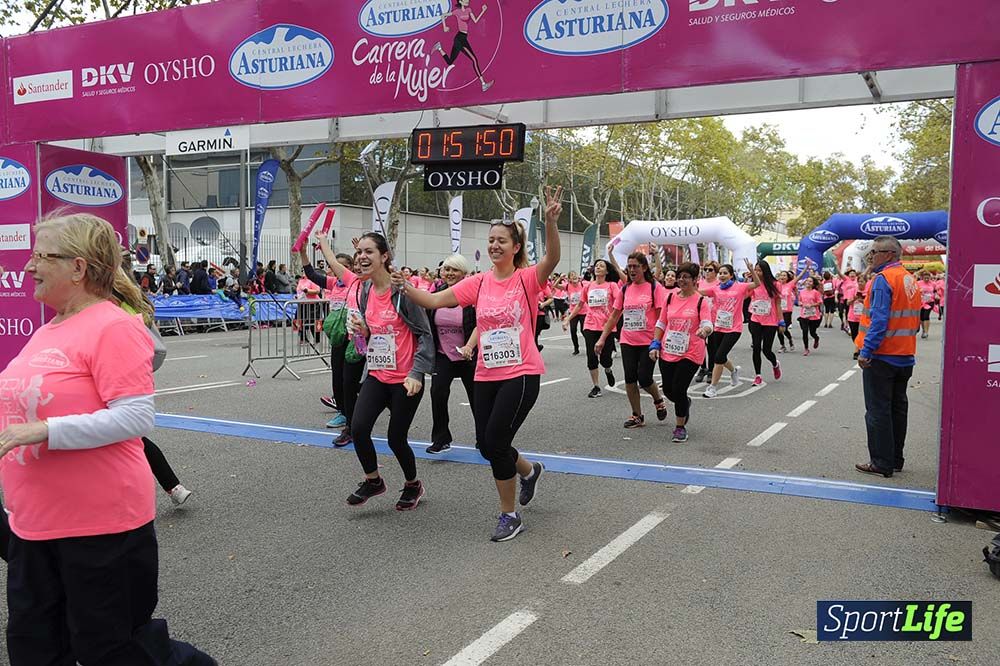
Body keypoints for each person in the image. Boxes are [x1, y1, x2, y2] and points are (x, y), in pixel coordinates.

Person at [0, 212, 215, 665]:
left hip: (101, 526)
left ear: (78, 268)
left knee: (112, 649)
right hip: (33, 524)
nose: (28, 266)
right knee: (33, 647)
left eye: (41, 255)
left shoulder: (113, 325)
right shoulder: (47, 330)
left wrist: (44, 431)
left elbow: (136, 417)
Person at [394, 186, 563, 542]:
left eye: (502, 240)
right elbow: (435, 299)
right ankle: (529, 471)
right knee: (486, 446)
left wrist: (550, 222)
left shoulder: (527, 278)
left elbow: (552, 260)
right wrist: (406, 286)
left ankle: (509, 515)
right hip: (485, 373)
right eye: (491, 240)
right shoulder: (479, 282)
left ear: (516, 247)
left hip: (521, 372)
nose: (495, 245)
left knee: (497, 441)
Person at [344, 233, 434, 511]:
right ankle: (373, 480)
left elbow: (425, 334)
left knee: (396, 437)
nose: (361, 256)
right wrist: (363, 332)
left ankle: (412, 484)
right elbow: (371, 334)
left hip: (405, 379)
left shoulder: (403, 293)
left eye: (369, 251)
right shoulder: (366, 290)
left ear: (384, 256)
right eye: (359, 251)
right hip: (377, 374)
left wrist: (418, 373)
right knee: (358, 428)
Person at [854, 236, 922, 478]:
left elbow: (879, 320)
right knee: (897, 409)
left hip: (883, 356)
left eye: (875, 252)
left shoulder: (884, 279)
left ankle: (881, 462)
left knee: (877, 410)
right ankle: (894, 459)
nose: (871, 256)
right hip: (905, 354)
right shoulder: (908, 278)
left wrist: (866, 350)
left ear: (889, 254)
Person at [596, 252, 670, 428]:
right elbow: (614, 316)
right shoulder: (625, 289)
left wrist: (658, 341)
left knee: (644, 378)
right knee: (630, 378)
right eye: (629, 266)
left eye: (635, 266)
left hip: (648, 341)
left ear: (644, 268)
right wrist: (602, 338)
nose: (631, 269)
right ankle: (637, 415)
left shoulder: (654, 287)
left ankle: (658, 400)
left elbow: (662, 316)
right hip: (628, 340)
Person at [649, 262, 714, 442]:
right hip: (669, 349)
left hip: (691, 351)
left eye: (686, 277)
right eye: (680, 276)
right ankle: (685, 402)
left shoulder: (701, 300)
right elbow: (661, 323)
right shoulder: (670, 298)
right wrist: (655, 343)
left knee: (679, 388)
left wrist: (705, 330)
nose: (681, 280)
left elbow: (708, 322)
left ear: (694, 280)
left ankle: (680, 427)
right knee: (669, 389)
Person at [301, 238, 359, 431]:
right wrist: (302, 252)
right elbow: (310, 273)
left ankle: (361, 409)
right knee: (338, 376)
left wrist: (358, 250)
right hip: (337, 337)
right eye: (336, 267)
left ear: (351, 267)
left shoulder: (357, 282)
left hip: (357, 336)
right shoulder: (333, 283)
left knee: (355, 378)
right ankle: (343, 412)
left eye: (343, 267)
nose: (338, 270)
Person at [425, 254, 478, 454]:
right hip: (443, 354)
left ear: (464, 273)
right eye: (446, 269)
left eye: (454, 270)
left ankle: (483, 439)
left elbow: (481, 323)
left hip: (468, 355)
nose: (449, 273)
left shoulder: (472, 295)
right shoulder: (437, 293)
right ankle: (441, 439)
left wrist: (470, 347)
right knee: (438, 393)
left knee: (477, 398)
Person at [697, 260, 757, 397]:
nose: (722, 275)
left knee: (718, 357)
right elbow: (698, 292)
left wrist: (752, 270)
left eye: (725, 273)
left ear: (731, 275)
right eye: (720, 273)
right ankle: (734, 370)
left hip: (734, 328)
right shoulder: (716, 288)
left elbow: (757, 284)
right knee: (721, 356)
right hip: (718, 327)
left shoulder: (740, 287)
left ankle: (712, 388)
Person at [565, 259, 619, 398]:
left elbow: (619, 306)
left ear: (607, 271)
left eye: (602, 266)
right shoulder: (588, 286)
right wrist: (568, 319)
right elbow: (579, 305)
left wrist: (614, 319)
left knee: (605, 358)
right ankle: (596, 386)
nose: (598, 268)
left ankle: (607, 369)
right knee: (591, 356)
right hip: (589, 325)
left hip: (607, 326)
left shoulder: (612, 286)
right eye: (596, 266)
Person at [433, 0, 494, 92]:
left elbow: (476, 20)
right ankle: (483, 84)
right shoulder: (457, 12)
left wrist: (483, 10)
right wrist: (444, 26)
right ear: (460, 1)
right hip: (459, 39)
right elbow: (443, 15)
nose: (467, 1)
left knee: (450, 62)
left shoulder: (469, 10)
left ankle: (439, 47)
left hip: (463, 37)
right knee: (474, 59)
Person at [747, 261, 784, 386]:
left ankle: (775, 363)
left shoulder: (775, 284)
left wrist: (781, 321)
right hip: (755, 319)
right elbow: (745, 296)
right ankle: (758, 375)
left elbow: (778, 304)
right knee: (756, 347)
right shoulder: (754, 285)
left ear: (766, 271)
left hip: (770, 321)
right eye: (756, 270)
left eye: (760, 270)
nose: (757, 273)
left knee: (766, 350)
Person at [798, 275, 824, 355]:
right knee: (804, 331)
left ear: (813, 284)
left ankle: (816, 338)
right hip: (804, 315)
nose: (808, 283)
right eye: (807, 281)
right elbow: (799, 301)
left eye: (810, 281)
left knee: (812, 332)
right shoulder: (802, 292)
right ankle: (806, 349)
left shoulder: (816, 292)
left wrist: (812, 305)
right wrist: (801, 304)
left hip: (813, 315)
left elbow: (820, 302)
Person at [563, 272, 587, 355]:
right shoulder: (567, 286)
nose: (574, 276)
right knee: (573, 330)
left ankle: (590, 346)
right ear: (569, 279)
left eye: (575, 275)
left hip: (584, 310)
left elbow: (592, 283)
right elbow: (555, 286)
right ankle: (576, 348)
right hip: (573, 311)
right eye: (571, 276)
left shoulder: (583, 284)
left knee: (584, 330)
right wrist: (560, 278)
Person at [916, 270, 938, 339]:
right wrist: (919, 292)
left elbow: (935, 291)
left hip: (929, 302)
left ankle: (926, 332)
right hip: (921, 302)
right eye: (925, 278)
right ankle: (923, 330)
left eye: (928, 278)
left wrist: (937, 295)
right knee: (921, 317)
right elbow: (915, 291)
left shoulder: (933, 284)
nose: (926, 279)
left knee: (926, 316)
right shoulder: (918, 283)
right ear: (922, 277)